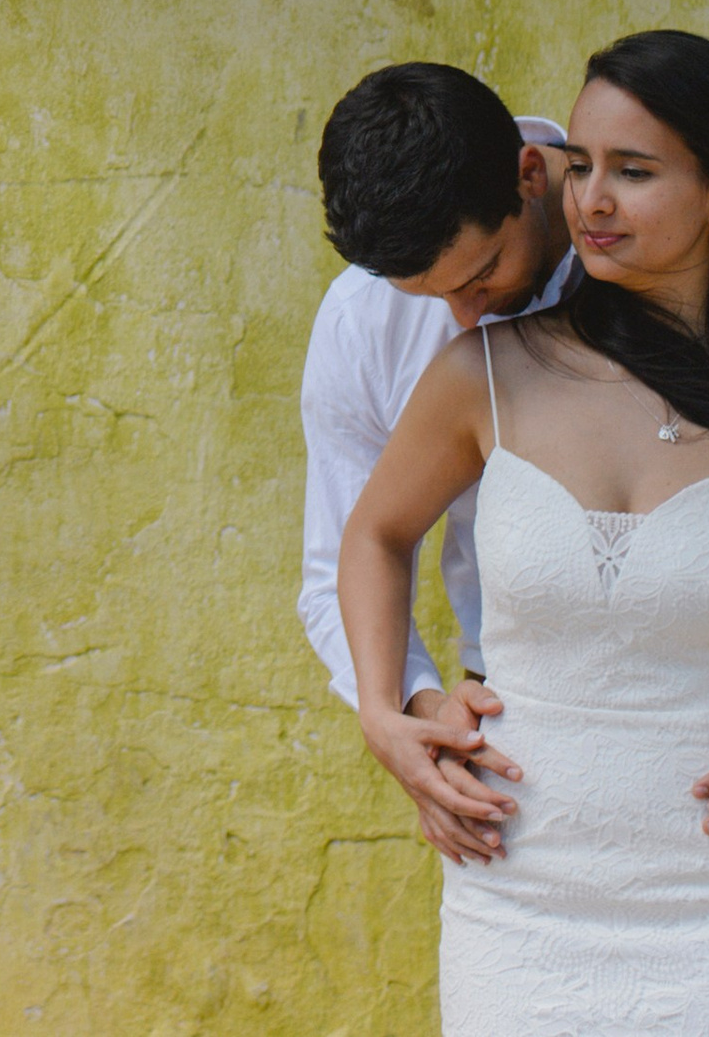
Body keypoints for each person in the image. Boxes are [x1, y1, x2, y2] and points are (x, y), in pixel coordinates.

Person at [340, 31, 709, 1035]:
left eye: (631, 171)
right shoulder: (483, 369)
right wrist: (386, 705)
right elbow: (367, 532)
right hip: (518, 889)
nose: (590, 200)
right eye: (583, 165)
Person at [301, 65, 571, 859]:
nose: (462, 319)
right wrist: (417, 715)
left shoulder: (663, 231)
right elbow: (339, 564)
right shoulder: (361, 323)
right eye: (431, 299)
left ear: (528, 175)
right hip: (508, 722)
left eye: (482, 275)